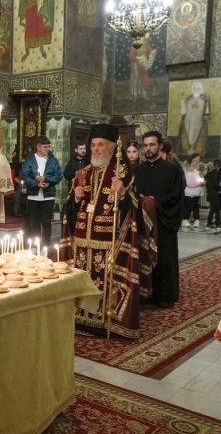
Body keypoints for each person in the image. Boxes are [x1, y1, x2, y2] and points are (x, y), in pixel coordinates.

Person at [60, 124, 154, 338]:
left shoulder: (123, 173)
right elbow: (69, 211)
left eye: (100, 145)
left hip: (111, 242)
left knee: (106, 282)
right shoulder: (82, 173)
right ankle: (80, 319)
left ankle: (106, 322)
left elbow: (134, 210)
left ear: (112, 148)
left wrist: (122, 194)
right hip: (82, 242)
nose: (96, 149)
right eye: (93, 145)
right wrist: (75, 198)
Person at [135, 131, 185, 308]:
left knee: (164, 258)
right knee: (144, 256)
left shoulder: (172, 170)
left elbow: (176, 196)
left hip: (163, 222)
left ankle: (164, 296)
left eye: (152, 145)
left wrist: (155, 203)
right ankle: (144, 294)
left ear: (160, 146)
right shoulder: (137, 170)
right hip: (142, 223)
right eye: (145, 145)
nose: (148, 149)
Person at [20, 136, 62, 246]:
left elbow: (58, 176)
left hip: (48, 196)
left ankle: (45, 247)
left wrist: (47, 180)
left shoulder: (53, 160)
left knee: (47, 223)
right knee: (35, 223)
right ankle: (36, 246)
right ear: (38, 147)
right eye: (45, 147)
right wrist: (36, 184)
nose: (48, 149)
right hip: (33, 196)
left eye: (48, 146)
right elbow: (24, 176)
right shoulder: (29, 160)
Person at [178, 81, 211, 155]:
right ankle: (188, 149)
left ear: (201, 89)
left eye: (198, 88)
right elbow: (183, 112)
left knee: (197, 134)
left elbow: (207, 112)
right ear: (192, 89)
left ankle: (196, 151)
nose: (196, 89)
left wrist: (205, 118)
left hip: (199, 121)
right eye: (194, 88)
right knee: (189, 134)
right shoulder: (188, 99)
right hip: (188, 121)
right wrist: (182, 104)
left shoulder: (205, 99)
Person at [183, 153, 204, 228]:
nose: (198, 160)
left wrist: (202, 181)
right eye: (196, 158)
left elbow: (201, 175)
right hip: (188, 191)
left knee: (196, 206)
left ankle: (196, 220)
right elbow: (186, 175)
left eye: (199, 158)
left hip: (197, 190)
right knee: (188, 206)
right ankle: (185, 219)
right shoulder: (187, 165)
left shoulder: (200, 166)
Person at [205, 160, 221, 231]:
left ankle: (215, 224)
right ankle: (212, 224)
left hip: (210, 194)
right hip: (215, 194)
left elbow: (207, 185)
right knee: (215, 209)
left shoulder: (208, 174)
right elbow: (216, 184)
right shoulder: (215, 173)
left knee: (214, 209)